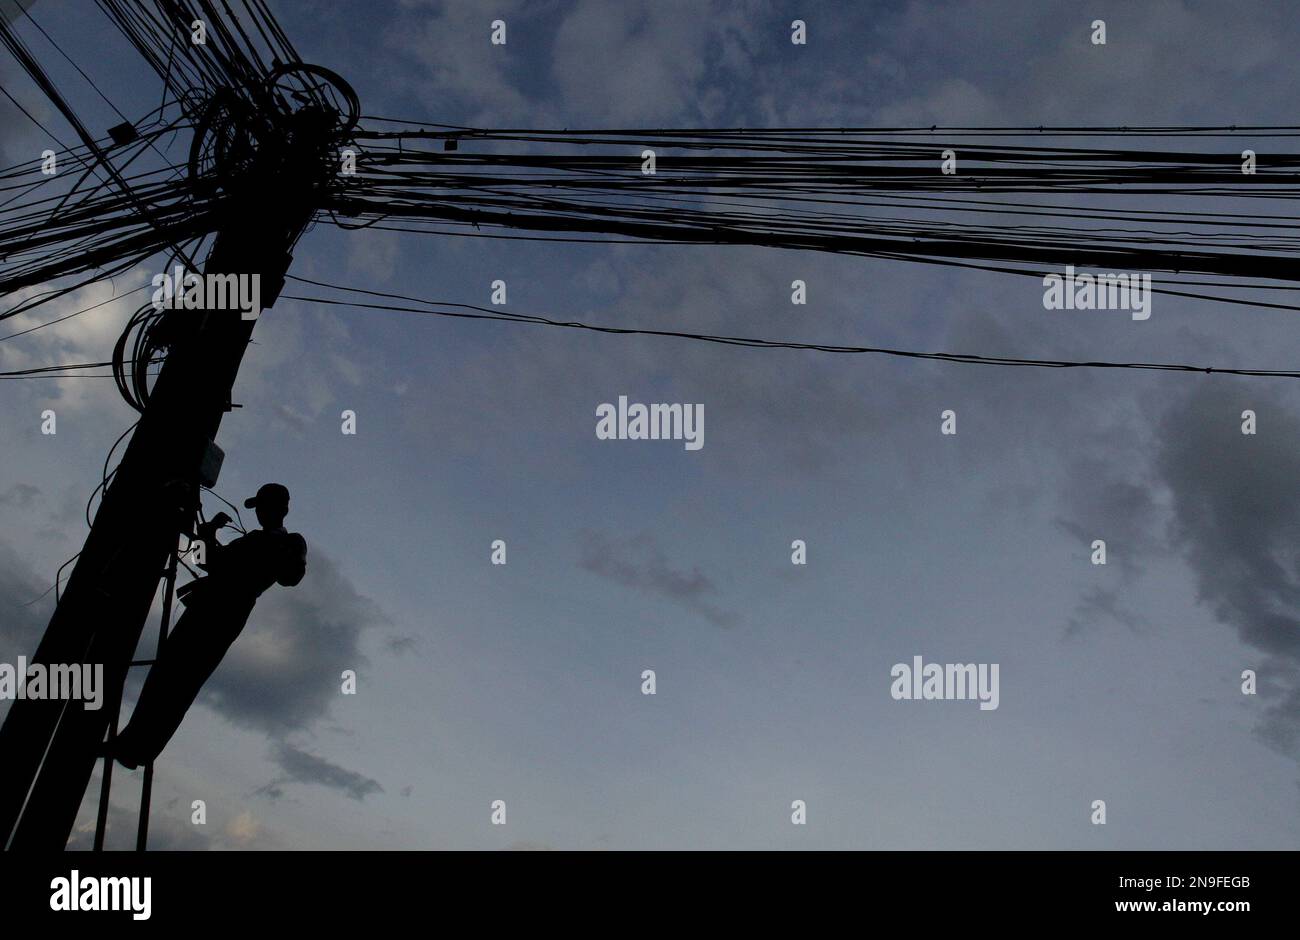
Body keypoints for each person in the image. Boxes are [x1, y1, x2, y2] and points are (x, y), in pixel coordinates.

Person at [108, 483, 307, 768]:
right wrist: (206, 533)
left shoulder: (288, 542)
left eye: (266, 506)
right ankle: (131, 742)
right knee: (166, 673)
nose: (261, 512)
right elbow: (208, 562)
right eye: (259, 507)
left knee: (182, 681)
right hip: (206, 608)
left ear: (283, 510)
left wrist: (211, 539)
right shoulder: (252, 540)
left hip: (222, 615)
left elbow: (289, 576)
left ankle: (137, 749)